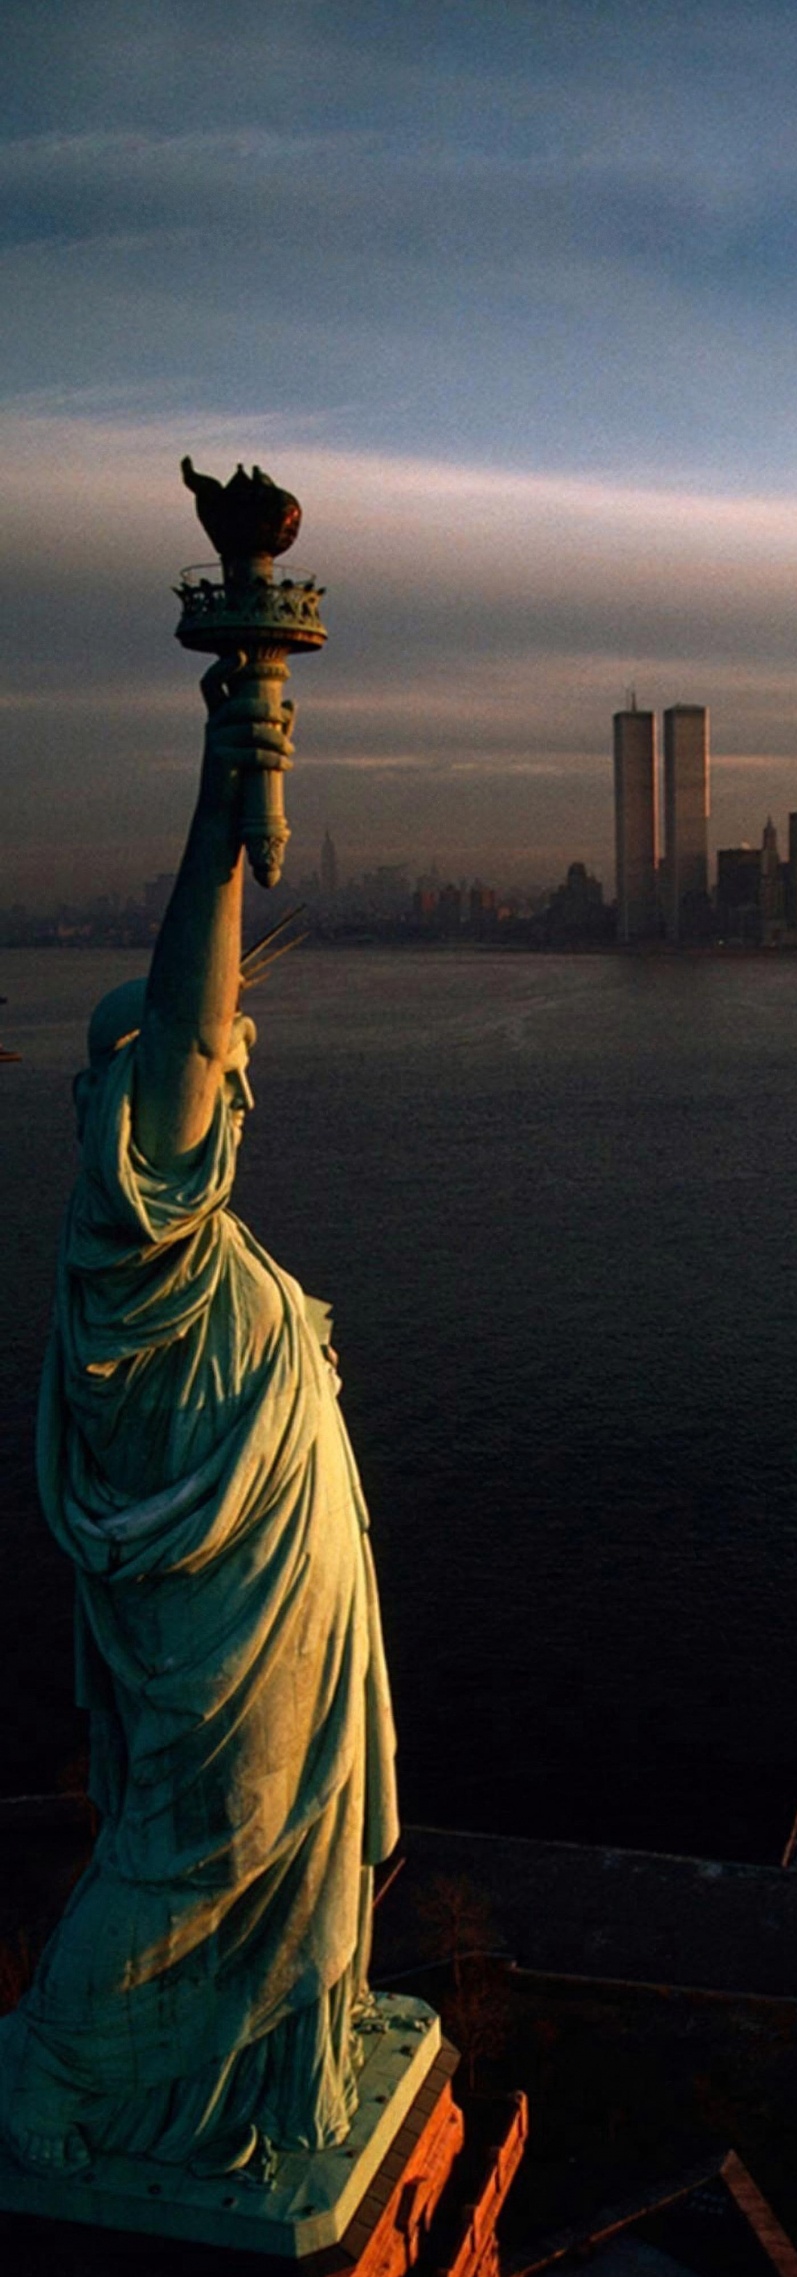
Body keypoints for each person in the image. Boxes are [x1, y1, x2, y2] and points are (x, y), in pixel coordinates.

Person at [0, 661, 398, 2180]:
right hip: (222, 1652)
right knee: (199, 1849)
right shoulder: (136, 1245)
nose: (235, 1087)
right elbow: (182, 1015)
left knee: (245, 1853)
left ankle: (260, 2058)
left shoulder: (198, 1255)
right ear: (136, 1113)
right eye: (218, 1073)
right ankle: (55, 2071)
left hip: (269, 1624)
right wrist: (222, 807)